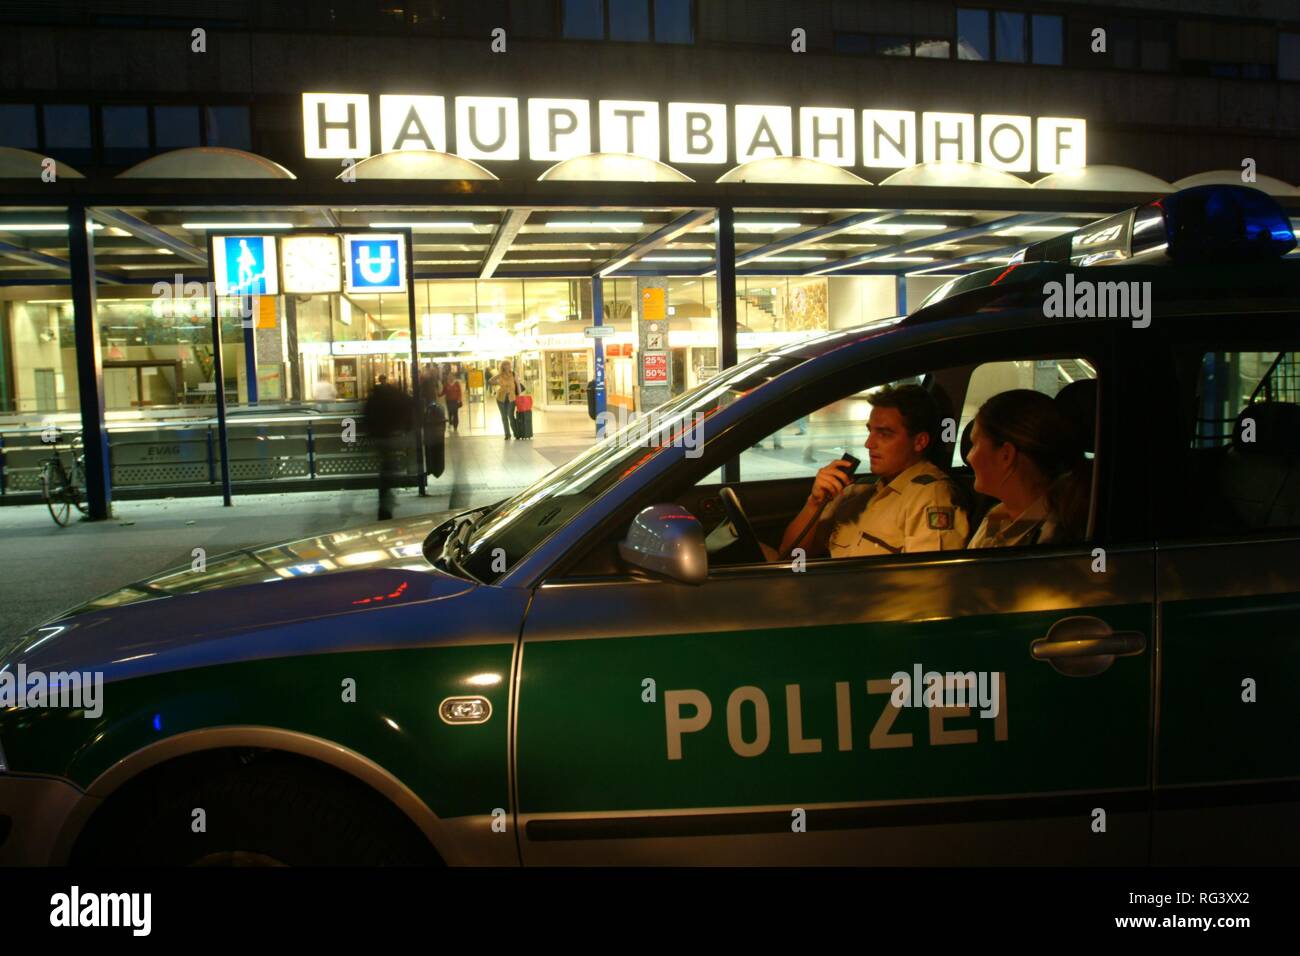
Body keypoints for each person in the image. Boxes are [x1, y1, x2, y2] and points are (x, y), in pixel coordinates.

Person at [776, 384, 971, 560]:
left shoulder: (930, 497)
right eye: (870, 431)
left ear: (920, 441)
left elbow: (928, 585)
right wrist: (814, 503)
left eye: (884, 434)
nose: (868, 444)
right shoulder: (859, 491)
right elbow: (792, 557)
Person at [965, 389, 1090, 548]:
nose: (969, 457)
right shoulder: (998, 515)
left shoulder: (1053, 539)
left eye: (975, 444)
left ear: (1006, 455)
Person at [364, 373, 412, 520]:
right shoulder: (393, 394)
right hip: (391, 436)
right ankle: (387, 497)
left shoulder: (373, 397)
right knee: (389, 468)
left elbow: (367, 416)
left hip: (379, 438)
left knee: (386, 467)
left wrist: (370, 433)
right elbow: (407, 406)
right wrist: (405, 428)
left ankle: (385, 496)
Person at [490, 360, 520, 439]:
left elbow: (518, 384)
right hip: (501, 398)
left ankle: (516, 433)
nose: (507, 366)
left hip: (511, 398)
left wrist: (519, 396)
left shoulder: (513, 374)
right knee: (504, 417)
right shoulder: (500, 375)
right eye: (505, 365)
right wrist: (498, 381)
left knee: (511, 416)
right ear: (502, 367)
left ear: (510, 366)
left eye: (508, 365)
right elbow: (490, 381)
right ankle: (507, 434)